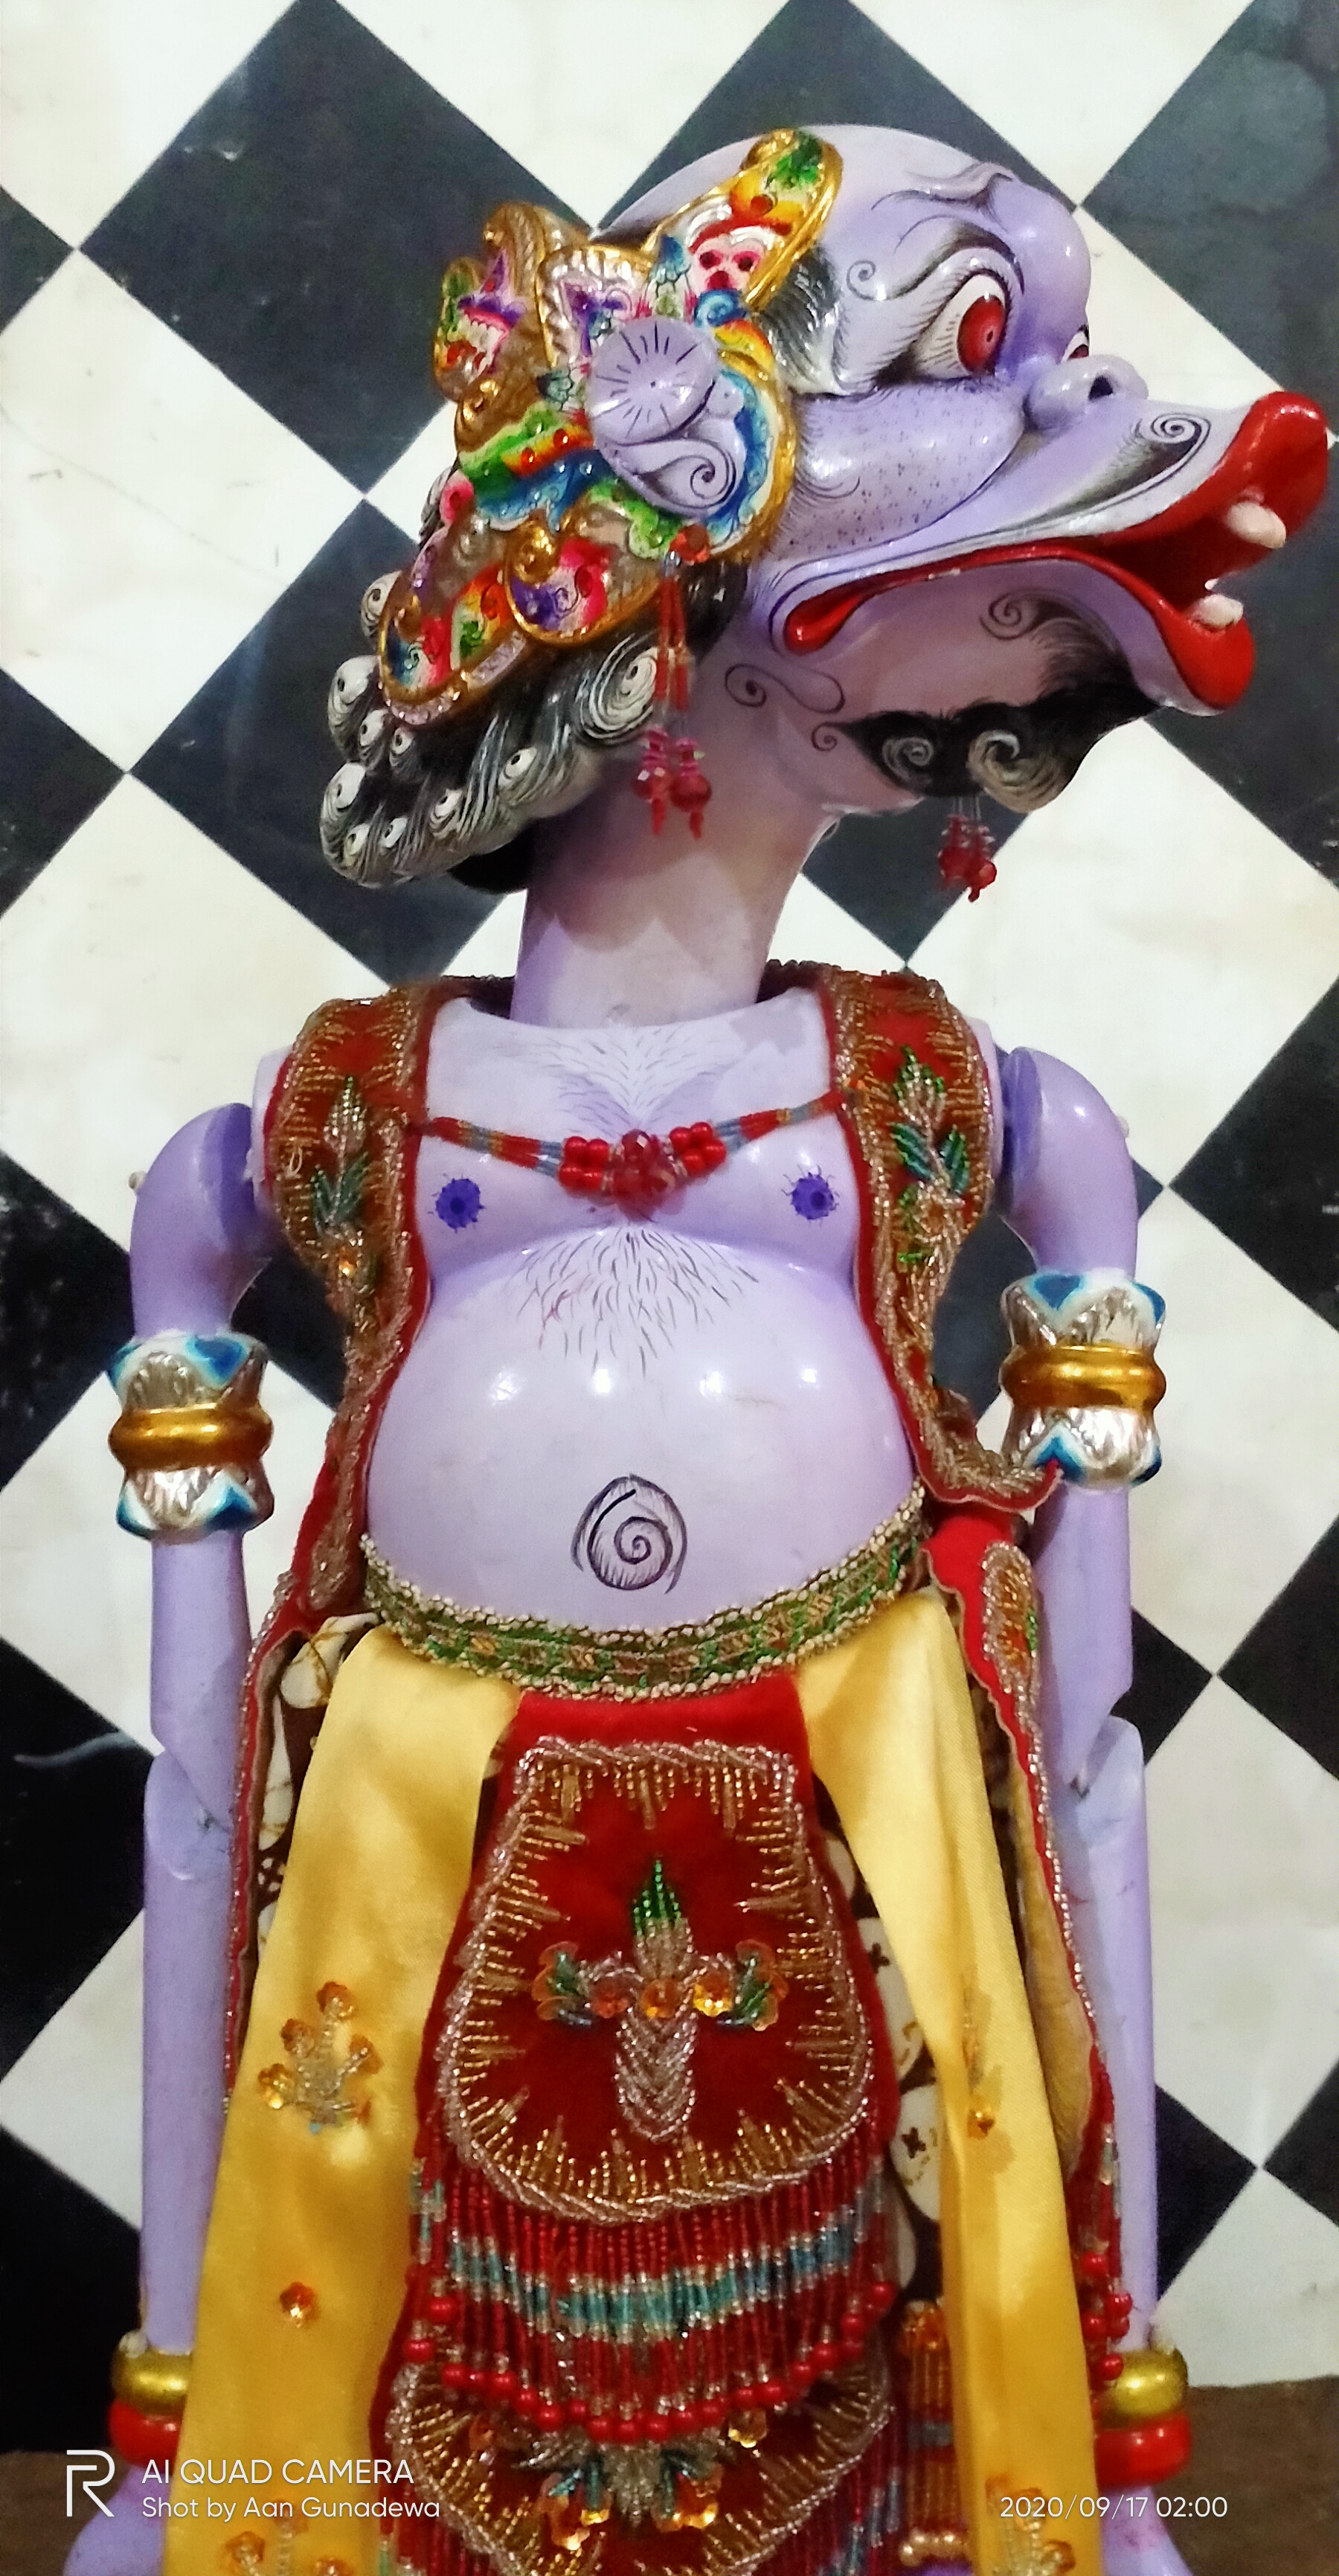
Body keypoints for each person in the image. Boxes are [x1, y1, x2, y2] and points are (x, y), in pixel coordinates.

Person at [98, 129, 1327, 2576]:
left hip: (850, 1906)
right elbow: (195, 1791)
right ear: (723, 570)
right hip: (422, 1913)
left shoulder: (964, 1106)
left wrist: (1111, 2446)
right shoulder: (329, 1128)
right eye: (973, 350)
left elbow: (1086, 1777)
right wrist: (166, 2439)